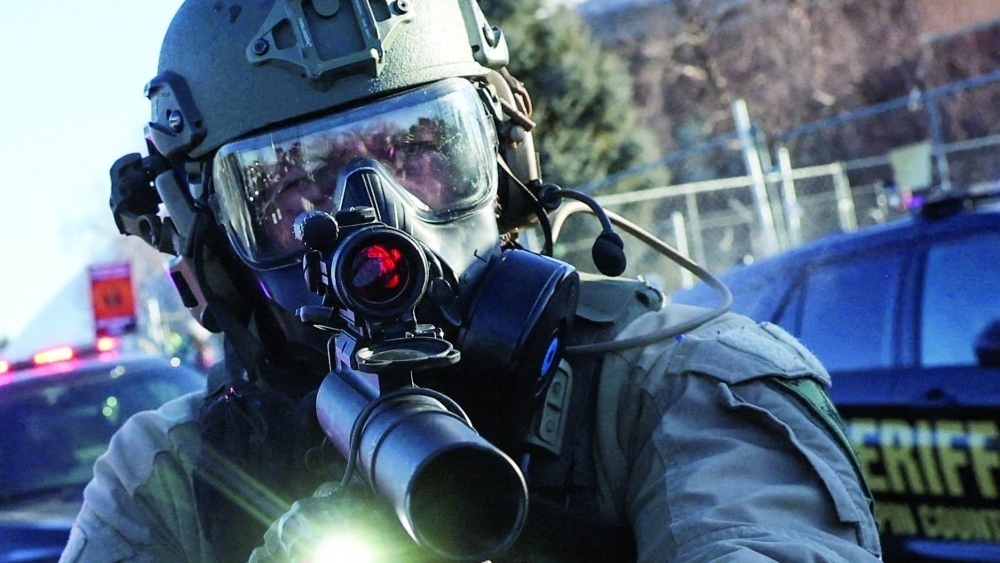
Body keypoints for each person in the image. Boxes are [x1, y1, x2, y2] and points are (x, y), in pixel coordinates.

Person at [62, 1, 883, 562]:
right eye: (292, 188)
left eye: (421, 151)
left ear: (504, 165)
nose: (381, 230)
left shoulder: (681, 382)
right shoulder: (169, 473)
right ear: (216, 247)